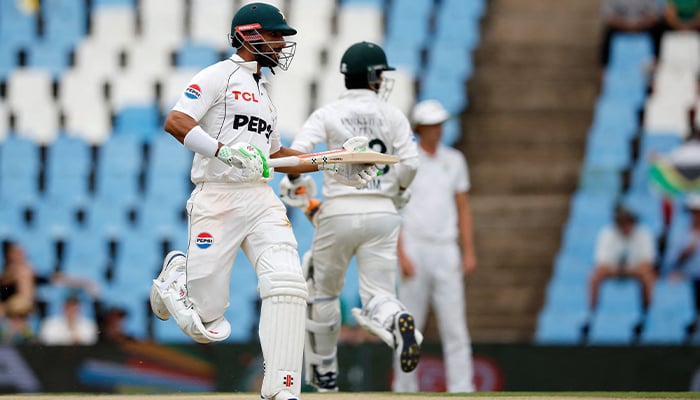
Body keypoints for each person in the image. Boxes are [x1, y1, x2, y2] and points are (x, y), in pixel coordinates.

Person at [148, 4, 377, 400]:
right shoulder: (217, 75)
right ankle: (176, 276)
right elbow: (176, 121)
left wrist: (337, 163)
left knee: (287, 282)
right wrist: (222, 151)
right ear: (251, 35)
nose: (281, 43)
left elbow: (276, 157)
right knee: (206, 322)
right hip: (217, 198)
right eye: (275, 35)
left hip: (260, 198)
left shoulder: (264, 94)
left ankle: (282, 388)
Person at [279, 41, 421, 392]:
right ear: (374, 77)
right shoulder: (393, 115)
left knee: (324, 292)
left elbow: (298, 156)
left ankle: (326, 372)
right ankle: (396, 318)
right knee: (378, 294)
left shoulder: (327, 113)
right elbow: (412, 164)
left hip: (338, 211)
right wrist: (398, 193)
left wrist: (298, 185)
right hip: (383, 212)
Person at [391, 99, 477, 393]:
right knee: (408, 326)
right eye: (432, 125)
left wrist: (468, 251)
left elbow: (463, 207)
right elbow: (395, 207)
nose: (438, 130)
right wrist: (400, 252)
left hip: (445, 248)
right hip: (414, 246)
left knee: (455, 325)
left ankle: (462, 388)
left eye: (440, 124)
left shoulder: (454, 160)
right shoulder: (407, 160)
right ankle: (404, 389)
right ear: (420, 128)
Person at [589, 204, 657, 311]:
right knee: (595, 276)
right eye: (622, 222)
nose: (626, 226)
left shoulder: (644, 233)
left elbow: (648, 261)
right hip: (613, 270)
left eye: (628, 222)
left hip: (636, 270)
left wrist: (630, 269)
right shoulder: (606, 233)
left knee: (648, 275)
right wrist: (617, 269)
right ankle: (592, 310)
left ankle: (647, 309)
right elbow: (601, 262)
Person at [600, 0, 662, 66]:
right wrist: (626, 26)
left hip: (643, 26)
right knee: (608, 34)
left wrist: (639, 25)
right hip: (621, 27)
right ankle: (605, 68)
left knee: (658, 30)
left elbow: (654, 15)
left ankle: (657, 63)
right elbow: (608, 16)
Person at [669, 194, 700, 323]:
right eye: (693, 212)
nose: (696, 216)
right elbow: (670, 263)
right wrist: (686, 253)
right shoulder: (680, 233)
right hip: (686, 277)